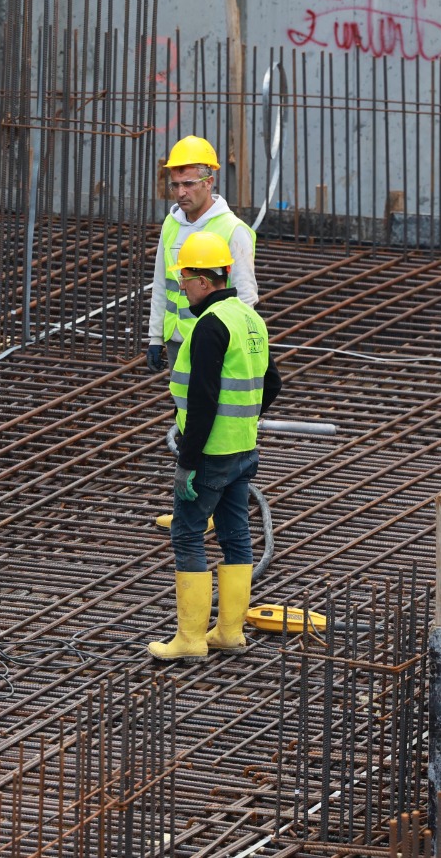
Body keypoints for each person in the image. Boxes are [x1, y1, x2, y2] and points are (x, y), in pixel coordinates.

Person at [148, 231, 281, 661]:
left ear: (205, 281)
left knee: (187, 534)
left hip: (210, 453)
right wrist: (242, 417)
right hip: (244, 451)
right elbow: (271, 382)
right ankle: (229, 632)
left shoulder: (209, 327)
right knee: (236, 535)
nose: (180, 286)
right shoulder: (249, 319)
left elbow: (202, 400)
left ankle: (189, 639)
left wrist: (187, 461)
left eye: (184, 279)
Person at [148, 135, 260, 530]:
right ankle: (198, 500)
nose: (180, 193)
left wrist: (226, 343)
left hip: (216, 346)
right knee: (186, 419)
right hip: (182, 343)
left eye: (188, 184)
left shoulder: (233, 230)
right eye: (174, 185)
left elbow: (245, 297)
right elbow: (162, 284)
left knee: (210, 419)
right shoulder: (171, 225)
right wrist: (154, 337)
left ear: (209, 180)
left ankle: (209, 502)